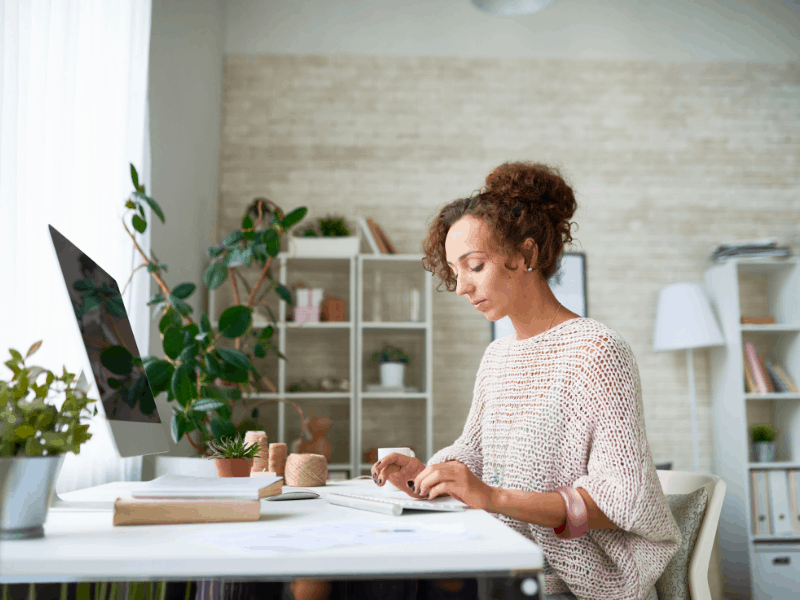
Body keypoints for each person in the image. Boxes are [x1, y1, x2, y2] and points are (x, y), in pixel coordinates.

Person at [371, 161, 681, 600]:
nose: (460, 287)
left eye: (474, 266)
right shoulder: (498, 356)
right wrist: (426, 475)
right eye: (455, 272)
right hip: (502, 565)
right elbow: (475, 455)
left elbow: (624, 503)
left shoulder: (597, 351)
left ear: (528, 255)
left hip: (576, 587)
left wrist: (494, 498)